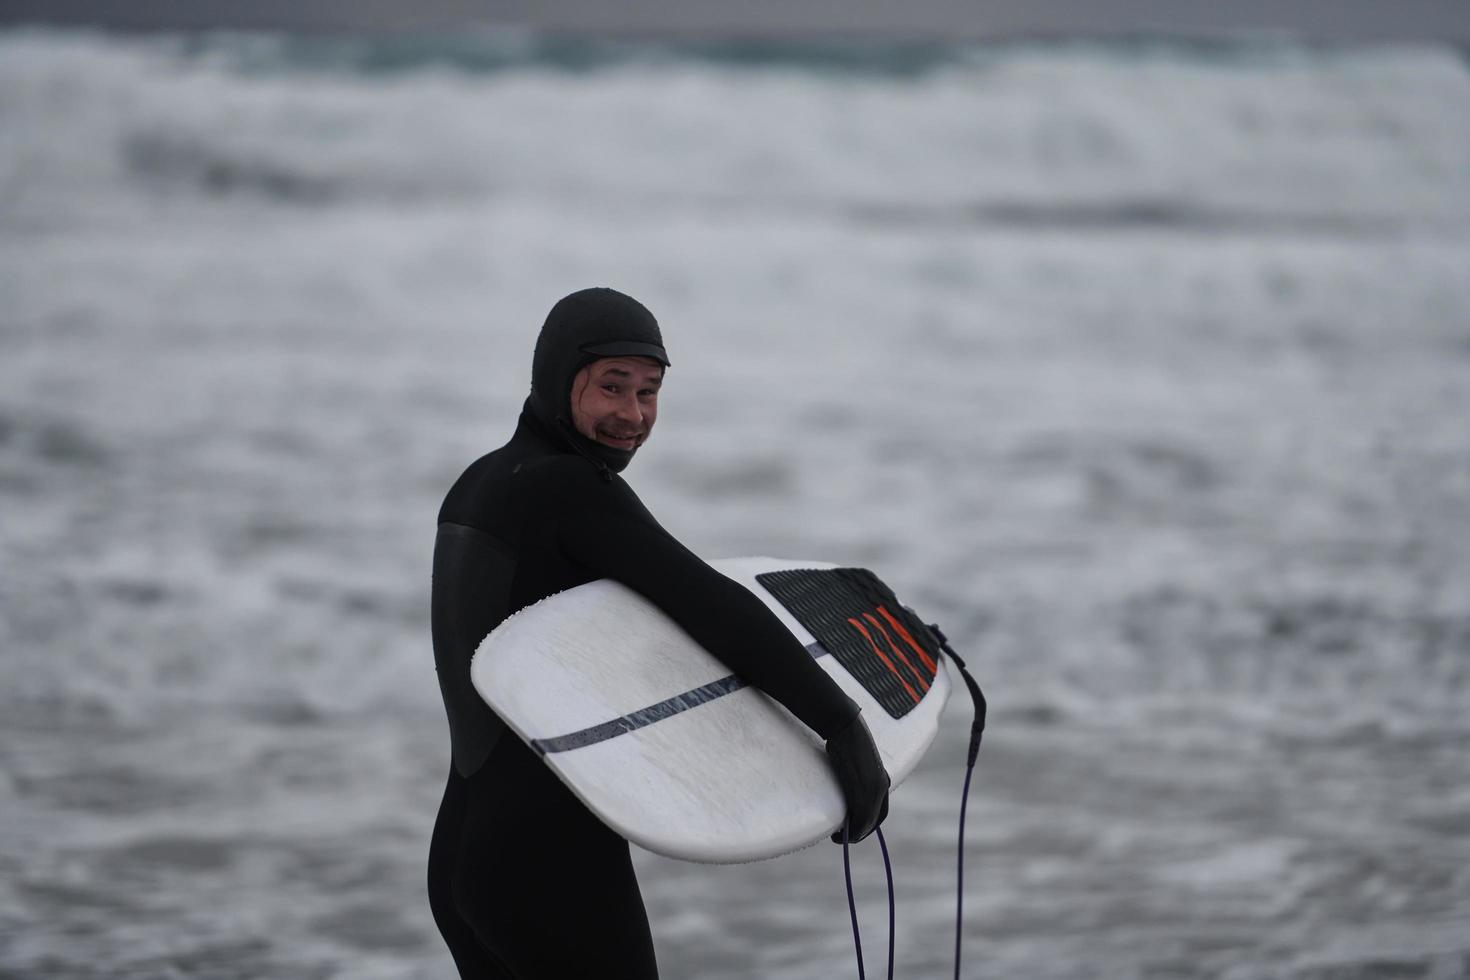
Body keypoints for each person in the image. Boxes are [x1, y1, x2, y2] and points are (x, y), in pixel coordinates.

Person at [427, 287, 890, 979]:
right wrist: (841, 723)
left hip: (466, 850)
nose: (633, 415)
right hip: (546, 862)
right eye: (612, 387)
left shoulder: (486, 481)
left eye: (649, 392)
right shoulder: (567, 488)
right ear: (557, 378)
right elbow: (709, 605)